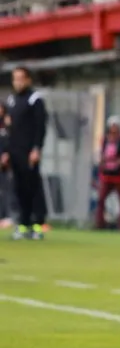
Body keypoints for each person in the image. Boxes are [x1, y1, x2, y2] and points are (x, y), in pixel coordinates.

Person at [4, 67, 49, 240]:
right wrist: (7, 151)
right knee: (19, 188)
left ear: (28, 80)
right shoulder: (12, 100)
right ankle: (23, 224)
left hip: (29, 151)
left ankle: (37, 224)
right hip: (15, 151)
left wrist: (37, 148)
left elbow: (40, 126)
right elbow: (10, 129)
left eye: (21, 78)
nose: (18, 82)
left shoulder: (34, 99)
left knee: (33, 187)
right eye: (15, 79)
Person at [95, 116, 120, 230]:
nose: (114, 129)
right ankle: (100, 224)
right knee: (101, 199)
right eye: (112, 126)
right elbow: (99, 155)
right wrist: (103, 160)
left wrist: (116, 161)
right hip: (106, 175)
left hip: (119, 176)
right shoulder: (104, 140)